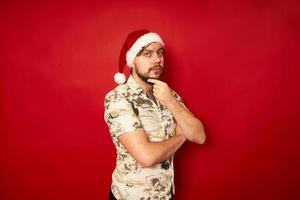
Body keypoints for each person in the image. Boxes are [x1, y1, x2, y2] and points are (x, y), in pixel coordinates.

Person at [104, 29, 206, 200]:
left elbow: (199, 135)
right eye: (147, 54)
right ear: (133, 62)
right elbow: (147, 157)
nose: (157, 59)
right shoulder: (118, 98)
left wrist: (171, 102)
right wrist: (181, 136)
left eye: (160, 53)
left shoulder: (167, 94)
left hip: (165, 195)